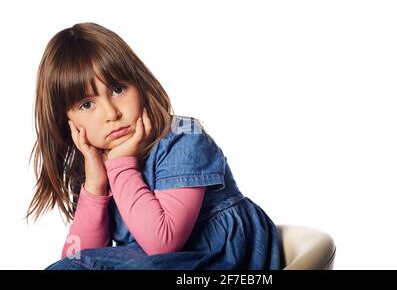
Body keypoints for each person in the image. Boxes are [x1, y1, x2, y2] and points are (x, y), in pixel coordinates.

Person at [26, 22, 281, 270]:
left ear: (139, 83)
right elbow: (80, 255)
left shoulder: (183, 138)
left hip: (218, 256)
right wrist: (95, 185)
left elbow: (163, 243)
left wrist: (120, 165)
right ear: (67, 120)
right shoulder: (91, 166)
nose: (111, 113)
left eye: (118, 89)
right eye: (86, 105)